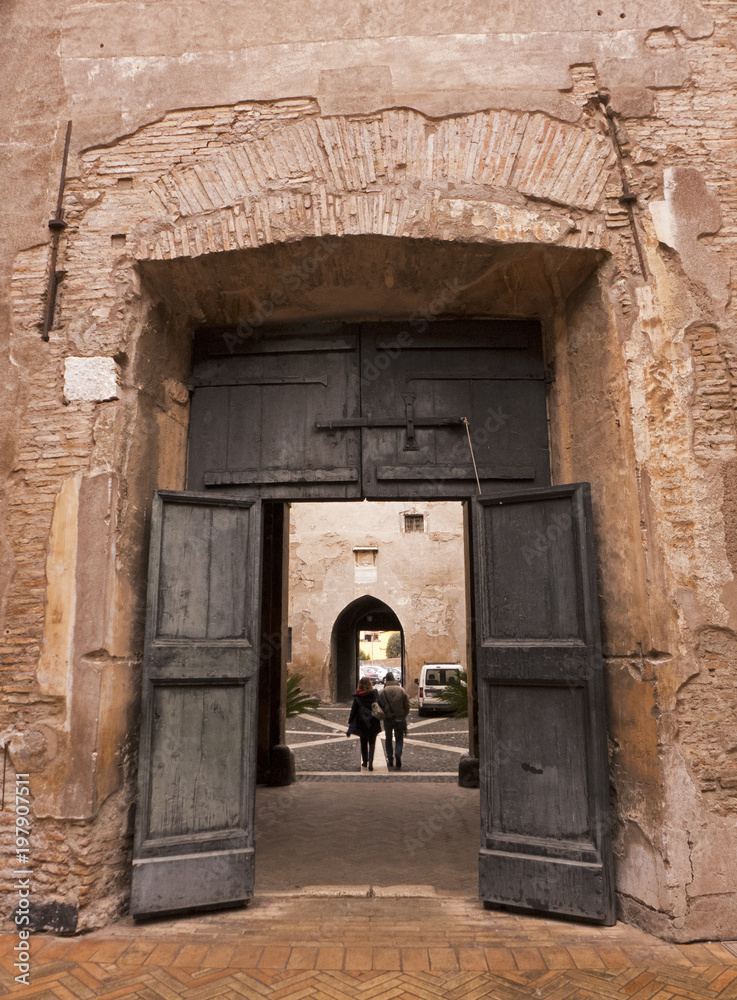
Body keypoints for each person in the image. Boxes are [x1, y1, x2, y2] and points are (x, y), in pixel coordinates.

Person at [346, 676, 382, 771]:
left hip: (361, 722)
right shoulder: (374, 694)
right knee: (372, 742)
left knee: (363, 742)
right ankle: (371, 761)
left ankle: (365, 761)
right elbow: (381, 704)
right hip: (373, 721)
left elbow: (353, 711)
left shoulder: (357, 697)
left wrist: (350, 722)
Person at [379, 672, 410, 769]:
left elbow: (379, 707)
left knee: (388, 738)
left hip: (388, 719)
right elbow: (407, 706)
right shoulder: (401, 691)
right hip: (399, 718)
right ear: (394, 679)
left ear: (386, 680)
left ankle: (390, 759)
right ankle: (397, 754)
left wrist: (383, 715)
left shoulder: (382, 692)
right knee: (399, 738)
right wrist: (403, 715)